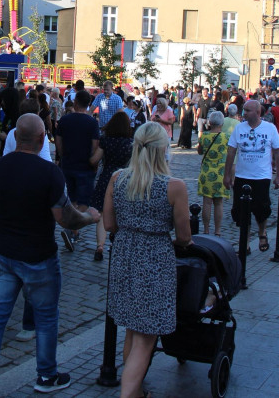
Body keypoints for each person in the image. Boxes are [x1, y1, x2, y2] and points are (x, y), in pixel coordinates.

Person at [0, 113, 100, 396]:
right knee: (45, 318)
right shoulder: (49, 173)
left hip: (2, 253)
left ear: (14, 137)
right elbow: (65, 219)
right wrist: (90, 218)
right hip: (39, 256)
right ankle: (46, 376)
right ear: (43, 138)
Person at [103, 122, 192, 398]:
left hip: (124, 256)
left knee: (133, 329)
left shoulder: (118, 178)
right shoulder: (174, 186)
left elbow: (108, 223)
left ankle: (137, 391)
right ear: (163, 149)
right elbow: (184, 236)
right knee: (145, 336)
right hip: (154, 260)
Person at [223, 99, 279, 253]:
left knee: (262, 208)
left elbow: (278, 152)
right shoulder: (239, 128)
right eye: (244, 110)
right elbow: (231, 152)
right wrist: (227, 174)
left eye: (247, 110)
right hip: (242, 175)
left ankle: (262, 232)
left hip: (261, 176)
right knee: (241, 211)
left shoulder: (270, 129)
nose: (244, 113)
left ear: (257, 112)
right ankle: (246, 241)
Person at [53, 89, 100, 252]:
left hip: (68, 164)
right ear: (88, 104)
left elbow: (58, 141)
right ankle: (70, 228)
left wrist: (63, 156)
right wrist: (93, 162)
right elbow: (95, 145)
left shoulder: (65, 120)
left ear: (76, 102)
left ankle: (74, 232)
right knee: (84, 203)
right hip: (85, 166)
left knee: (72, 199)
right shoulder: (92, 122)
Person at [87, 111, 133, 262]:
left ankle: (100, 245)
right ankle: (118, 246)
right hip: (125, 178)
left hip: (106, 177)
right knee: (121, 213)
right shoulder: (131, 143)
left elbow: (94, 160)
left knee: (100, 213)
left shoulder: (106, 140)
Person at [197, 110, 230, 236]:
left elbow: (200, 151)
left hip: (206, 172)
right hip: (221, 172)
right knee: (218, 202)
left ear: (210, 122)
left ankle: (206, 229)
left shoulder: (204, 136)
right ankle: (217, 231)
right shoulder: (226, 137)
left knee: (207, 202)